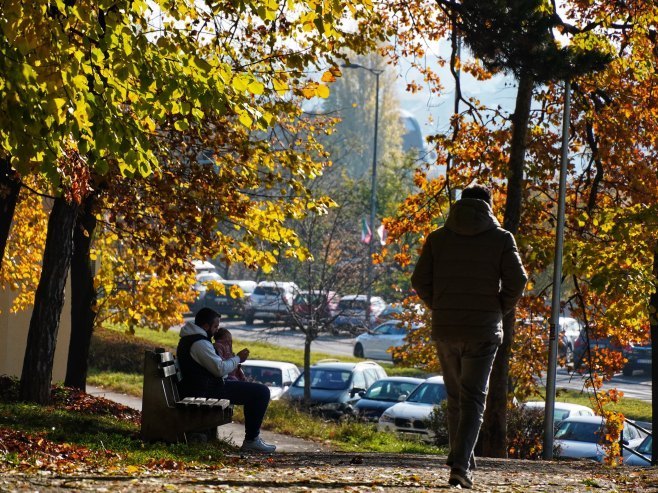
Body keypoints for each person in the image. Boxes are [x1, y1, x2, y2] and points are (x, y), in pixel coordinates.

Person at [411, 184, 527, 489]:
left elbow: (419, 279)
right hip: (483, 330)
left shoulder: (438, 238)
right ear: (488, 206)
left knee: (456, 398)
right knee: (474, 399)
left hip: (446, 328)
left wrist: (439, 305)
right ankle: (461, 465)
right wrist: (498, 309)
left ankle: (463, 460)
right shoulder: (502, 239)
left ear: (460, 205)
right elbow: (519, 279)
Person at [177, 307, 275, 453]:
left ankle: (252, 439)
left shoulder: (194, 339)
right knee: (261, 392)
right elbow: (220, 368)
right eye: (215, 326)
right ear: (205, 326)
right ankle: (251, 440)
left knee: (252, 389)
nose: (217, 331)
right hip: (204, 390)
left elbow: (217, 368)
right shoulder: (199, 343)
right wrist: (238, 359)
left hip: (202, 387)